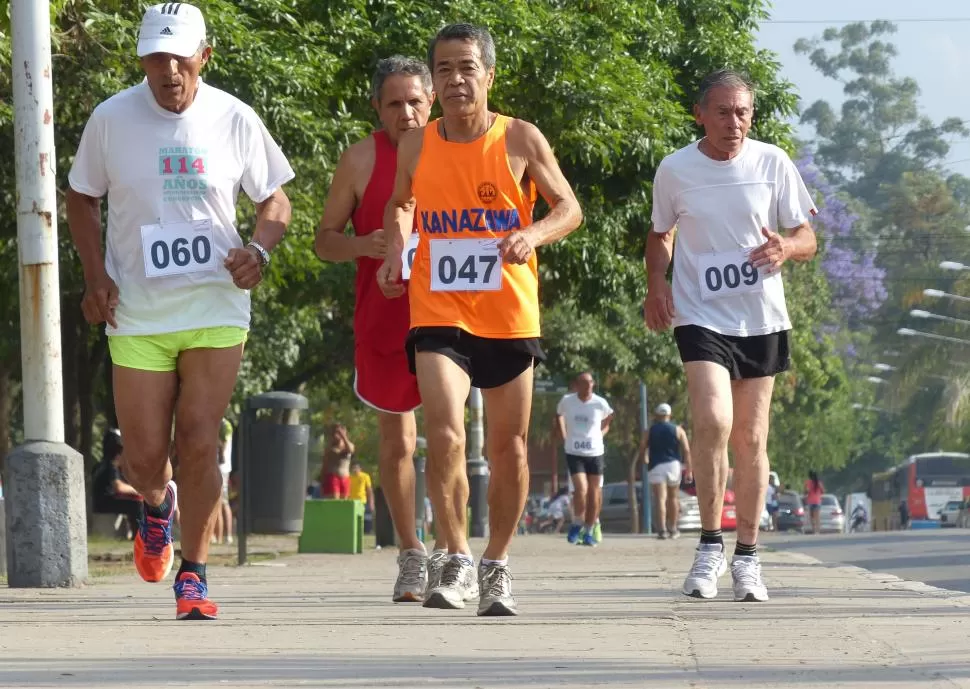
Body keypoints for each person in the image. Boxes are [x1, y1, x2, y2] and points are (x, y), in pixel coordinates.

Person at [66, 3, 294, 620]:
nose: (168, 70)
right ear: (141, 59)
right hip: (138, 309)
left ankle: (193, 574)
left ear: (204, 56)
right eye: (155, 57)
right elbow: (82, 198)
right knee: (143, 459)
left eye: (179, 56)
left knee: (198, 436)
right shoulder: (111, 119)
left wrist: (258, 249)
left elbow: (274, 199)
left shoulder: (233, 117)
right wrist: (95, 276)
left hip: (215, 303)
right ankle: (156, 506)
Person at [377, 23, 583, 616]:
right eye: (444, 69)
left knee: (509, 447)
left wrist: (533, 232)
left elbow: (568, 207)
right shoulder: (416, 144)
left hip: (508, 312)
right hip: (438, 306)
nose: (456, 79)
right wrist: (397, 246)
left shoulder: (519, 138)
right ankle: (457, 556)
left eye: (467, 67)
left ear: (489, 75)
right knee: (443, 432)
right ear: (434, 82)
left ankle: (496, 561)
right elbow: (401, 204)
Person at [644, 69, 817, 603]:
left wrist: (786, 249)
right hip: (700, 314)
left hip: (760, 316)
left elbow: (808, 236)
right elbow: (660, 234)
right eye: (722, 112)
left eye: (742, 112)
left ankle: (747, 557)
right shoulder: (675, 169)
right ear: (700, 114)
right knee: (714, 419)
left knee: (751, 438)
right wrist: (655, 282)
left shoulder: (773, 163)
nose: (733, 122)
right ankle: (708, 547)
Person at [314, 55, 465, 602]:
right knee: (398, 440)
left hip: (450, 316)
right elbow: (323, 240)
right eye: (394, 103)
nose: (406, 112)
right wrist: (363, 245)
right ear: (377, 107)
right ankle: (411, 553)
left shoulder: (457, 149)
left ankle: (454, 551)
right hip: (383, 318)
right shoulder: (358, 159)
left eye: (415, 101)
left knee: (449, 438)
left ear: (433, 100)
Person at [556, 372, 614, 546]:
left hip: (595, 452)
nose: (588, 385)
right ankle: (577, 522)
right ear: (577, 384)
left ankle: (589, 530)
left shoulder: (600, 403)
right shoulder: (567, 401)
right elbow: (559, 414)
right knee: (581, 489)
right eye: (584, 382)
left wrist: (601, 433)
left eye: (590, 382)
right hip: (574, 451)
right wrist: (564, 433)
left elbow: (609, 417)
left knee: (594, 492)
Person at [636, 403, 692, 540]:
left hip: (656, 466)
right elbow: (686, 450)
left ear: (657, 415)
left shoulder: (649, 430)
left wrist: (644, 459)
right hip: (673, 465)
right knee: (673, 497)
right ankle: (673, 528)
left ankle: (662, 530)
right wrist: (689, 469)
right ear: (669, 415)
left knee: (660, 498)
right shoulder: (678, 430)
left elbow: (642, 447)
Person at [91, 428, 143, 536]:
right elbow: (118, 487)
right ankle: (139, 536)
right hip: (104, 503)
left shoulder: (100, 465)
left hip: (100, 502)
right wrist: (138, 490)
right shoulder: (111, 465)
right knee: (137, 504)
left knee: (134, 502)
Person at [319, 424, 355, 499]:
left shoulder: (349, 445)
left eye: (339, 432)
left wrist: (343, 436)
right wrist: (322, 480)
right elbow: (325, 463)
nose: (337, 435)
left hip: (345, 477)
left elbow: (350, 450)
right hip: (332, 476)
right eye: (335, 432)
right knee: (334, 501)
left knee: (344, 502)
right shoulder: (330, 447)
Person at [212, 419, 234, 545]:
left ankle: (222, 536)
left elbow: (223, 447)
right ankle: (219, 536)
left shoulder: (224, 425)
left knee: (221, 503)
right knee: (219, 503)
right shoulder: (222, 423)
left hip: (222, 468)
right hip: (220, 468)